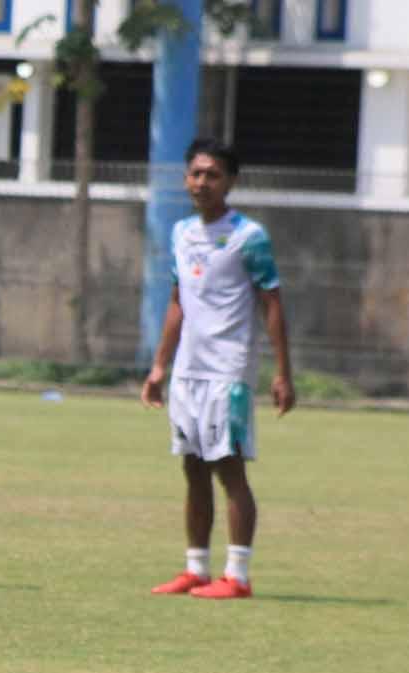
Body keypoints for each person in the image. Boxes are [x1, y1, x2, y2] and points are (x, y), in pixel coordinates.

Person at [142, 137, 295, 600]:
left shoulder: (249, 237)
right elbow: (176, 303)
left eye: (212, 174)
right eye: (196, 173)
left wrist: (283, 373)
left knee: (229, 470)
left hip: (228, 373)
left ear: (230, 182)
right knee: (192, 467)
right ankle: (196, 569)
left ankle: (239, 575)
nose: (202, 182)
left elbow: (272, 304)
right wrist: (159, 367)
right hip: (188, 372)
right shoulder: (181, 233)